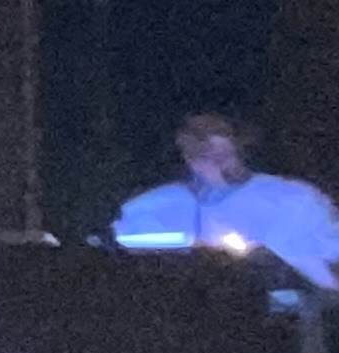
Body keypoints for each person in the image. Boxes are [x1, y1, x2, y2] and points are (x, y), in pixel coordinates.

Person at [112, 113, 339, 287]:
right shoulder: (159, 205)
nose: (219, 164)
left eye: (225, 154)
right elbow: (120, 242)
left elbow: (326, 255)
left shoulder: (291, 197)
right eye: (205, 156)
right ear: (189, 160)